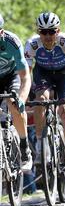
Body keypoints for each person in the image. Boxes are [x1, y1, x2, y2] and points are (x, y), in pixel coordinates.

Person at [24, 12, 65, 181]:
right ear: (38, 32)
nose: (47, 36)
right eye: (43, 32)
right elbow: (26, 72)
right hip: (43, 74)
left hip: (63, 75)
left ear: (58, 31)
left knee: (64, 112)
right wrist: (24, 94)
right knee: (40, 101)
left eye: (51, 31)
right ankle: (41, 147)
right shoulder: (32, 44)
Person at [0, 14, 33, 171]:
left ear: (1, 32)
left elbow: (25, 77)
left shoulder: (12, 42)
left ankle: (24, 146)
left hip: (13, 75)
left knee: (14, 104)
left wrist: (21, 98)